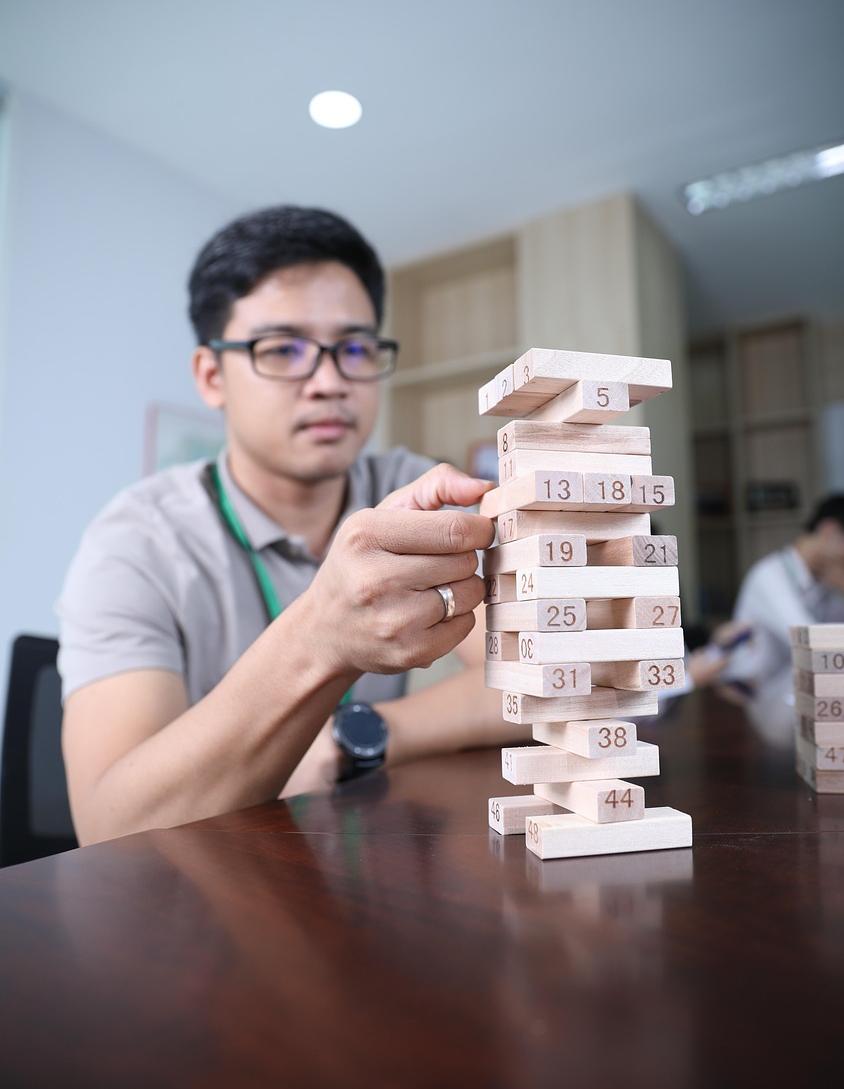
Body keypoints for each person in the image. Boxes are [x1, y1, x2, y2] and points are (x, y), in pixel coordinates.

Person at [57, 205, 526, 846]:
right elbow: (111, 827)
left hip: (371, 870)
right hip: (208, 895)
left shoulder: (409, 491)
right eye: (283, 349)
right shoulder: (135, 543)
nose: (330, 382)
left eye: (355, 348)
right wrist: (320, 638)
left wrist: (359, 734)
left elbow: (542, 680)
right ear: (210, 375)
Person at [720, 493, 844, 740]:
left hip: (794, 697)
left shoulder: (824, 584)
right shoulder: (769, 575)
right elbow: (814, 643)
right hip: (759, 705)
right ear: (830, 531)